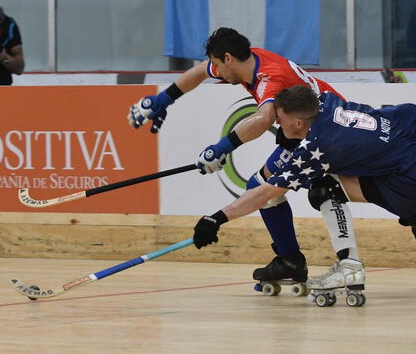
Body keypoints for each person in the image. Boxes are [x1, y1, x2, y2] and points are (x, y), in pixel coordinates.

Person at [192, 85, 416, 297]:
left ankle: (348, 266)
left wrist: (216, 218)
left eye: (280, 121)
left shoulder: (316, 148)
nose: (277, 126)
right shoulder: (324, 100)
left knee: (323, 188)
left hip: (407, 179)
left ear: (297, 123)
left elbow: (264, 193)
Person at [127, 27, 359, 286]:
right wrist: (163, 99)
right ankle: (290, 260)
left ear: (228, 58)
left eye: (217, 63)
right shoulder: (247, 61)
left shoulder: (269, 76)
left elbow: (264, 119)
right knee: (266, 187)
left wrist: (223, 147)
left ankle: (297, 261)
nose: (216, 71)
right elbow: (201, 70)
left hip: (325, 130)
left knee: (268, 188)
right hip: (309, 126)